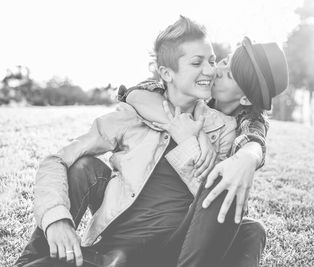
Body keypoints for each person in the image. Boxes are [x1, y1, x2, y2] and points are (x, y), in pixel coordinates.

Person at [13, 16, 287, 267]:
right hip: (126, 227)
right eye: (211, 62)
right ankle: (34, 258)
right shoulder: (145, 105)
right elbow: (59, 157)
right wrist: (56, 218)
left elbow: (247, 147)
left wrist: (235, 154)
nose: (213, 70)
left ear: (246, 98)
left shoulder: (229, 126)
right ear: (167, 73)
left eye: (218, 66)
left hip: (180, 241)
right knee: (84, 166)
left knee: (246, 220)